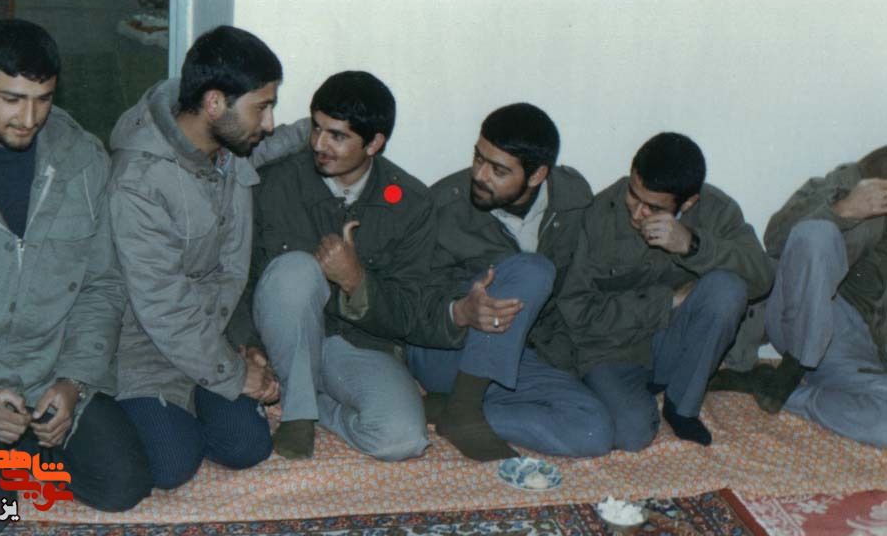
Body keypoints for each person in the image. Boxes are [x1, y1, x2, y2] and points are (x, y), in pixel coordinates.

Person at [0, 19, 151, 536]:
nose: (29, 118)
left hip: (47, 375)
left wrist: (73, 381)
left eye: (42, 99)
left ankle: (9, 459)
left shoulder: (82, 159)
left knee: (125, 485)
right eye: (11, 99)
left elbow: (102, 285)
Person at [108, 25, 307, 489]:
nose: (269, 122)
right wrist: (235, 375)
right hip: (148, 347)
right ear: (215, 103)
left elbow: (278, 143)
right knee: (172, 466)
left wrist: (322, 127)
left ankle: (193, 408)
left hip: (212, 333)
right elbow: (162, 307)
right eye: (262, 107)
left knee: (247, 447)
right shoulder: (138, 180)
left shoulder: (228, 146)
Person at [248, 70, 447, 461]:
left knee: (400, 439)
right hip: (283, 341)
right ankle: (298, 415)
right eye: (317, 128)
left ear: (374, 143)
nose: (319, 144)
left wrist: (356, 281)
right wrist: (247, 346)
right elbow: (238, 278)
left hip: (356, 345)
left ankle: (312, 401)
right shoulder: (274, 183)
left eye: (337, 136)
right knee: (296, 270)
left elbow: (409, 312)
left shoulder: (411, 202)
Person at [406, 103, 613, 462]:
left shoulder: (572, 198)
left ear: (537, 175)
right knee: (533, 270)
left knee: (593, 429)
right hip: (448, 349)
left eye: (499, 170)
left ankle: (453, 410)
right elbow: (407, 298)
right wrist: (460, 309)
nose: (479, 175)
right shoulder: (442, 205)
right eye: (478, 158)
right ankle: (466, 406)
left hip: (519, 353)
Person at [557, 132, 774, 448]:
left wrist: (692, 245)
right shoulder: (599, 213)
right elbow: (577, 312)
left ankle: (681, 406)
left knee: (727, 289)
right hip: (612, 350)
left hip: (674, 343)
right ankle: (630, 396)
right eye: (633, 195)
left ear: (688, 202)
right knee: (631, 434)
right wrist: (667, 301)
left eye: (653, 208)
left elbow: (762, 277)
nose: (637, 213)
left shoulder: (717, 209)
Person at [711, 147, 887, 447]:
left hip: (857, 355)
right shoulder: (849, 180)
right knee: (816, 234)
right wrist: (842, 209)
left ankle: (773, 387)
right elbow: (776, 241)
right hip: (809, 315)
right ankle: (796, 365)